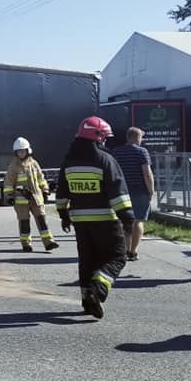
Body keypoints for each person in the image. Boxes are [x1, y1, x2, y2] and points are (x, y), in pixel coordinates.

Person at [55, 117, 134, 320]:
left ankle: (86, 301)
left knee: (87, 261)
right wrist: (127, 218)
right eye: (105, 138)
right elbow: (117, 192)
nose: (105, 141)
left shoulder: (69, 162)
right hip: (106, 220)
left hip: (80, 223)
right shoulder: (105, 160)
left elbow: (61, 192)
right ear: (98, 137)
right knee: (117, 257)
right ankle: (98, 288)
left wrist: (64, 215)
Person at [3, 137, 59, 252]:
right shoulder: (13, 166)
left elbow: (40, 178)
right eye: (19, 151)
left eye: (23, 151)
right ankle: (26, 244)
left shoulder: (34, 164)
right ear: (16, 153)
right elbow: (8, 182)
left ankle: (49, 242)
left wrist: (45, 191)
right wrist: (9, 196)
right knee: (24, 222)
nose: (21, 153)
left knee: (42, 219)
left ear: (28, 151)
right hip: (21, 201)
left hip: (36, 198)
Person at [112, 127, 154, 261]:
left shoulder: (116, 152)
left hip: (121, 192)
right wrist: (151, 190)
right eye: (141, 137)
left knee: (124, 221)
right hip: (139, 191)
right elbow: (147, 174)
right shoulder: (142, 152)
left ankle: (124, 250)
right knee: (138, 221)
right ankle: (133, 251)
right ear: (137, 137)